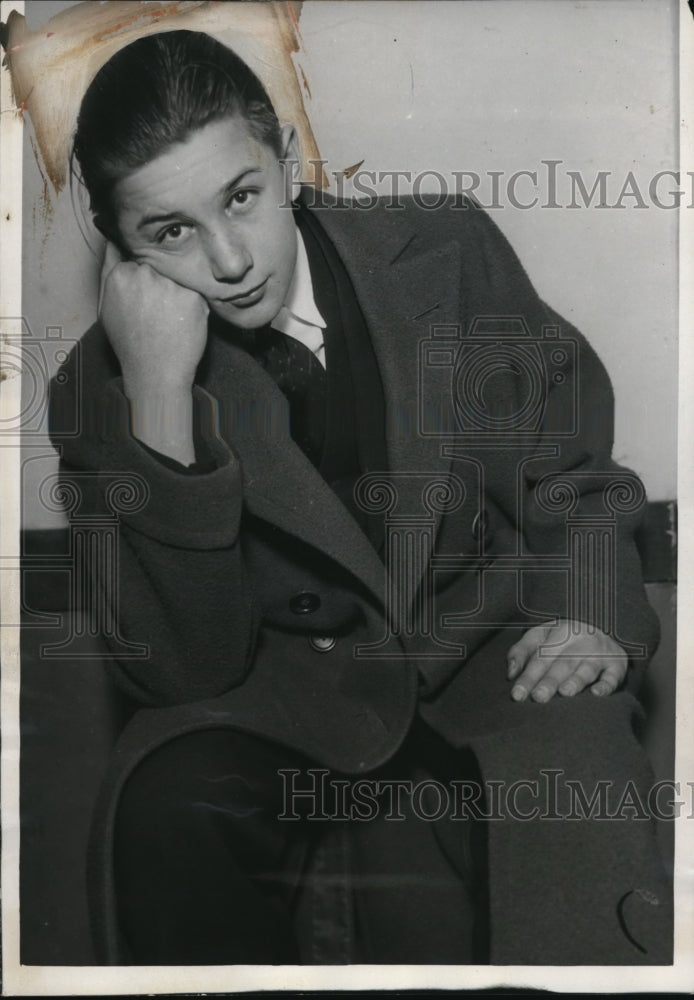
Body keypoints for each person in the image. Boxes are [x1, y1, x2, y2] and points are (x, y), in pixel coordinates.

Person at [50, 29, 672, 965]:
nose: (228, 260)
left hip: (482, 653)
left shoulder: (446, 250)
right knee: (167, 808)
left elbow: (569, 472)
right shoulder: (101, 392)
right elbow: (186, 674)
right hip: (278, 695)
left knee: (579, 774)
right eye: (171, 231)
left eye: (242, 198)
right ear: (121, 252)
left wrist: (590, 615)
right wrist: (161, 406)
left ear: (289, 163)